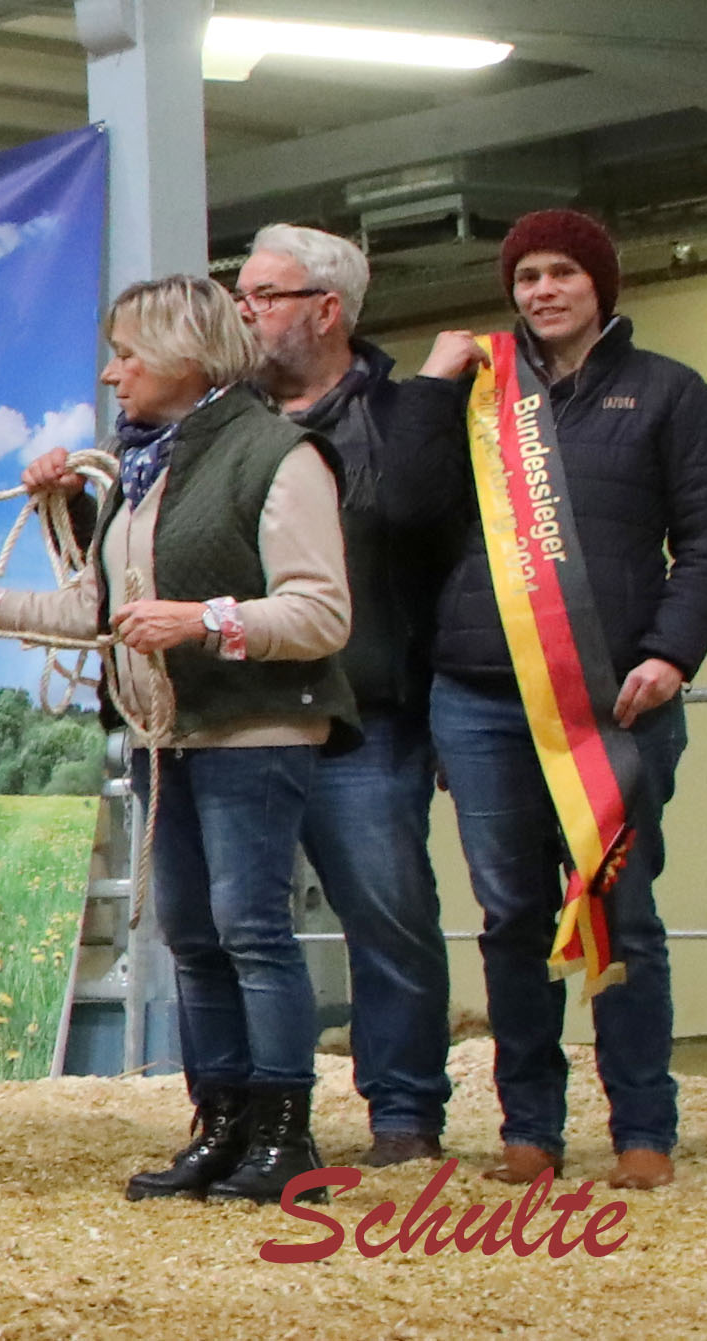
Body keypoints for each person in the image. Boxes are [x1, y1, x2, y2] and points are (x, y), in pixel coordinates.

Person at [0, 275, 353, 1205]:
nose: (112, 373)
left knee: (250, 928)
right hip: (169, 734)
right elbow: (97, 611)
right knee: (191, 933)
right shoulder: (142, 469)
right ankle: (223, 1124)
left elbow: (321, 613)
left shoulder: (280, 456)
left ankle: (285, 1135)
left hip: (253, 729)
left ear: (188, 361)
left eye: (128, 355)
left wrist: (207, 620)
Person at [392, 209, 707, 1192]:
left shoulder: (668, 393)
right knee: (509, 919)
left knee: (621, 913)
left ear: (598, 284)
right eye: (525, 276)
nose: (540, 290)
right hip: (474, 695)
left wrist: (671, 653)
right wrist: (427, 387)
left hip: (615, 701)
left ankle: (641, 1126)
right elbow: (402, 512)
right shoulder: (473, 397)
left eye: (559, 274)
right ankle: (528, 1127)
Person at [235, 225, 454, 1166]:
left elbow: (433, 542)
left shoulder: (406, 416)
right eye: (240, 294)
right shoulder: (225, 422)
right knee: (241, 925)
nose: (245, 311)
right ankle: (259, 1118)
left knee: (388, 912)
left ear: (327, 310)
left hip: (368, 713)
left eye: (265, 296)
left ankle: (404, 1113)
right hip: (246, 715)